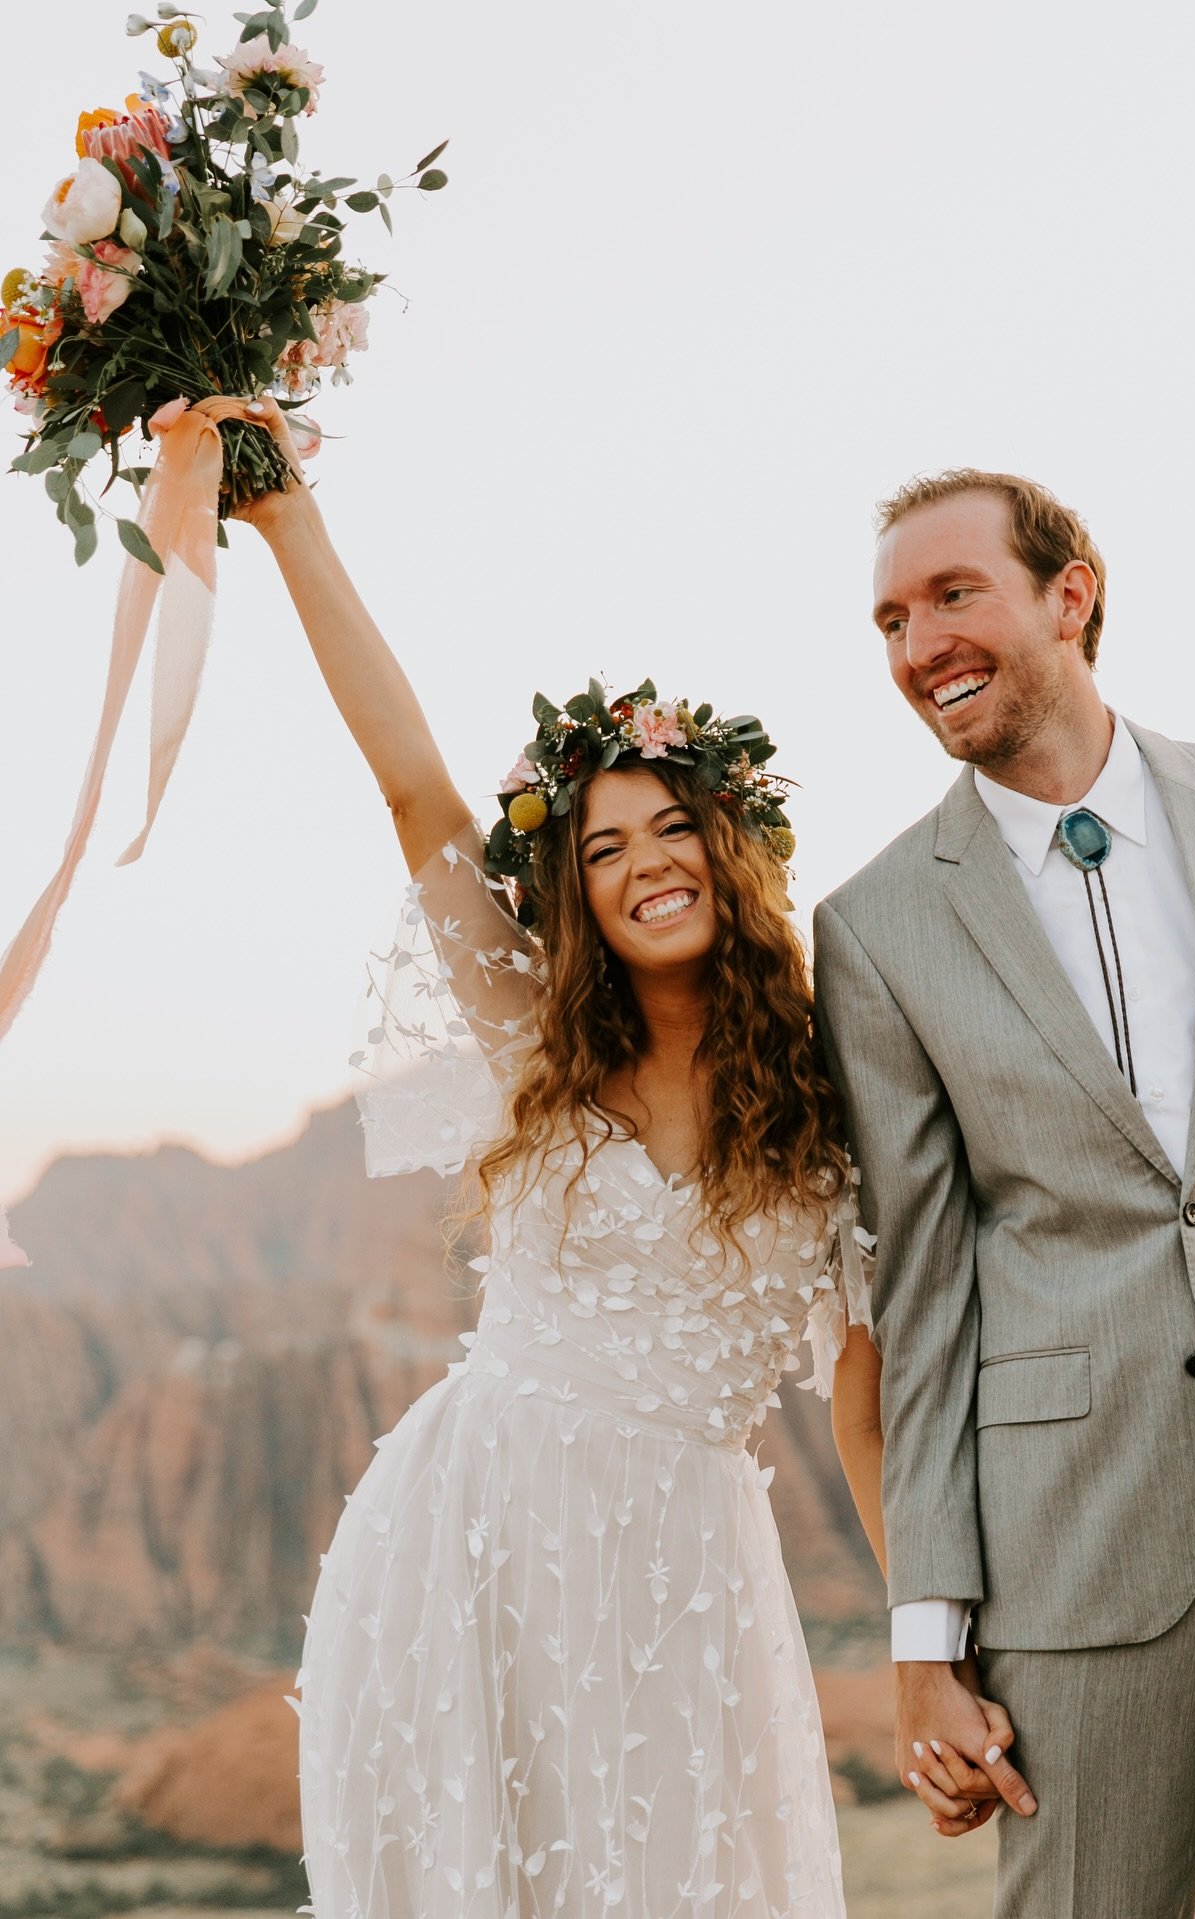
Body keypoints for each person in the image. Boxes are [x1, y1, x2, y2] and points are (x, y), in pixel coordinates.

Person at [232, 411, 879, 1918]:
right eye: (601, 847)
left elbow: (864, 1403)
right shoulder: (537, 1043)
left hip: (688, 1575)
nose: (645, 863)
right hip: (473, 1542)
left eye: (671, 828)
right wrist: (287, 519)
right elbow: (416, 790)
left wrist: (929, 1644)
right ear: (575, 892)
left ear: (728, 845)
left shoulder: (832, 1094)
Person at [816, 468, 1195, 1917]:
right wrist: (928, 1636)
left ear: (1070, 598)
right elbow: (924, 1299)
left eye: (953, 595)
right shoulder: (878, 926)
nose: (919, 645)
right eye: (892, 621)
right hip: (1070, 1532)